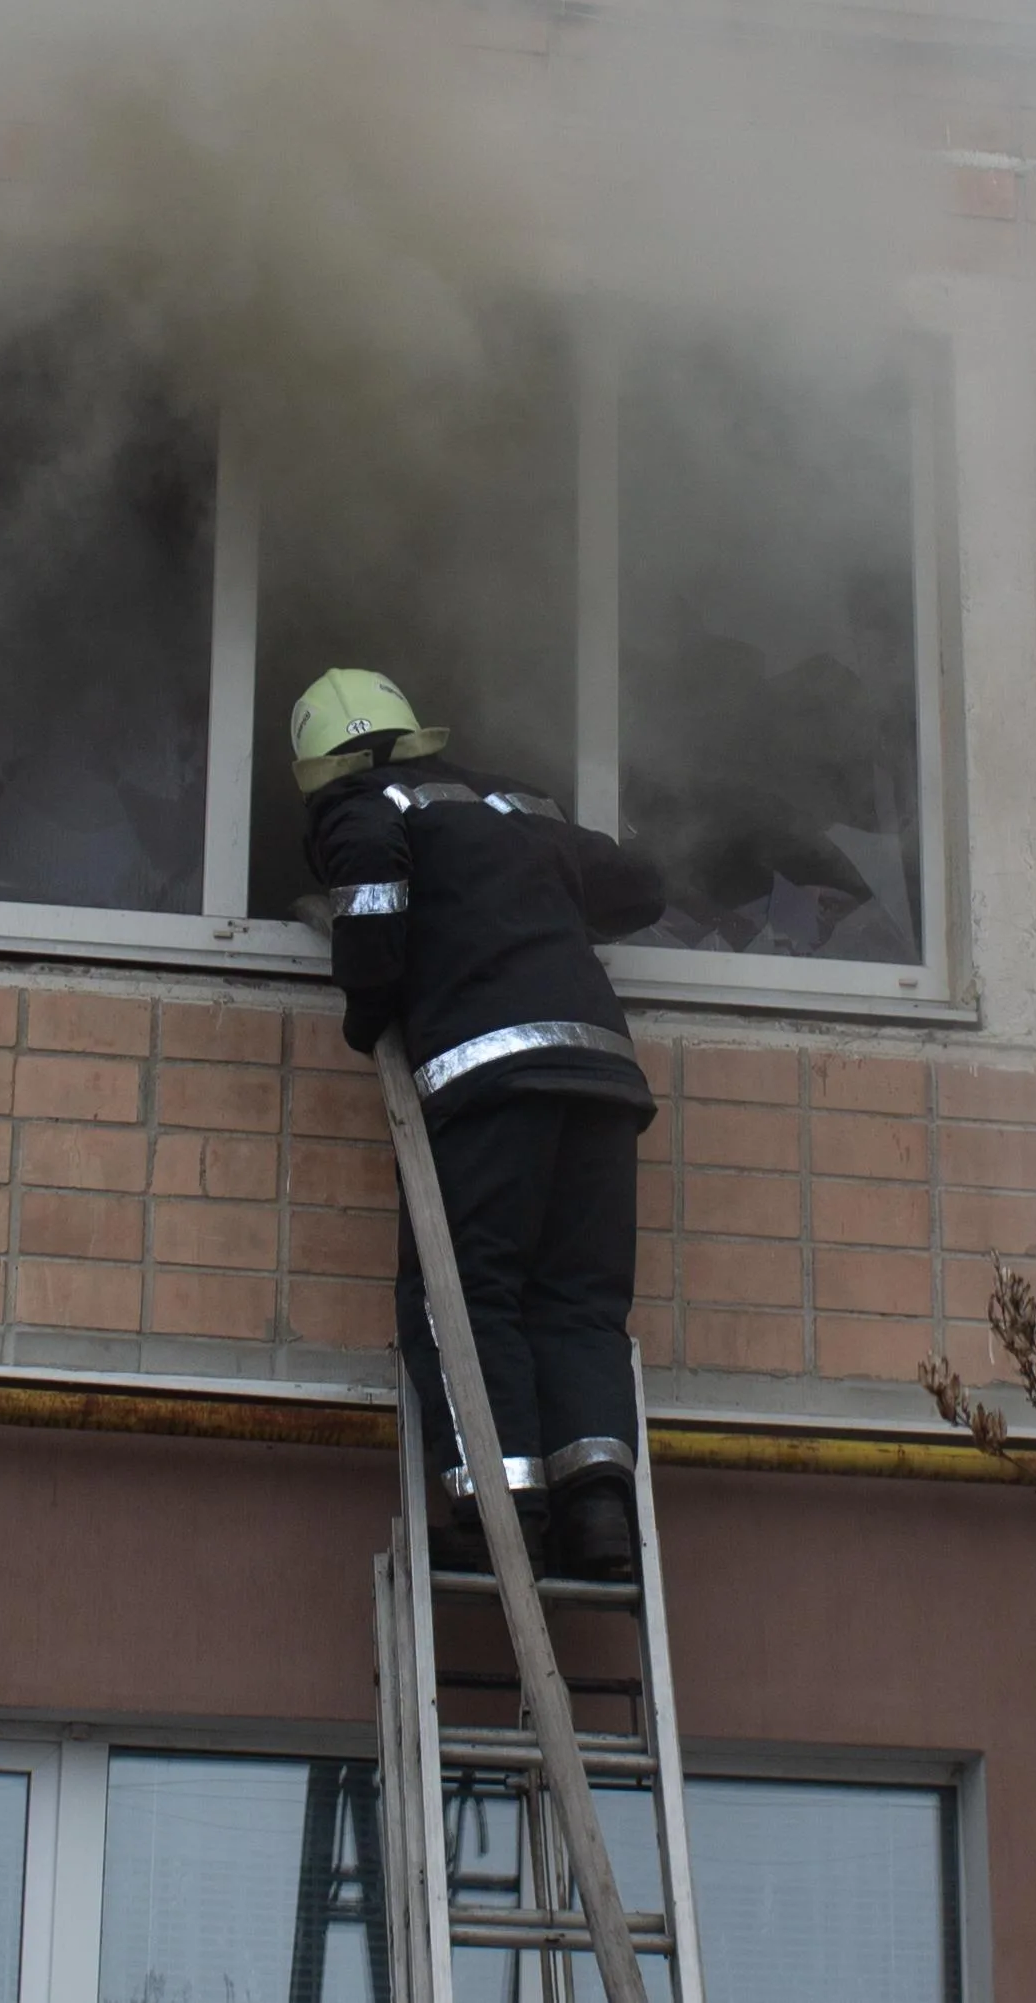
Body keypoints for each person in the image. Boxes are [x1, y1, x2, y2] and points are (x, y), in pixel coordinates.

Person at [293, 665, 665, 1581]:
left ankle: (495, 1508)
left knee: (463, 1293)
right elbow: (636, 886)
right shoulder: (520, 807)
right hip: (603, 1078)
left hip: (489, 1076)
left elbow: (374, 912)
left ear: (321, 763)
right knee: (579, 1301)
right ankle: (599, 1512)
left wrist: (366, 1008)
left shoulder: (365, 804)